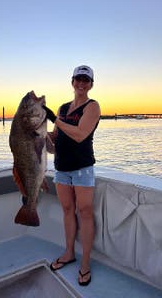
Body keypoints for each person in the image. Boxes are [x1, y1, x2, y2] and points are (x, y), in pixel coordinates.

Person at [43, 65, 101, 286]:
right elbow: (55, 142)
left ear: (91, 84)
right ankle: (69, 253)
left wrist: (54, 120)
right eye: (78, 79)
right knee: (67, 210)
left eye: (86, 80)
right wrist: (37, 131)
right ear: (72, 81)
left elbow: (79, 135)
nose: (81, 83)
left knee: (84, 212)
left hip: (82, 169)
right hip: (61, 169)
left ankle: (85, 263)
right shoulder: (63, 107)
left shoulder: (92, 107)